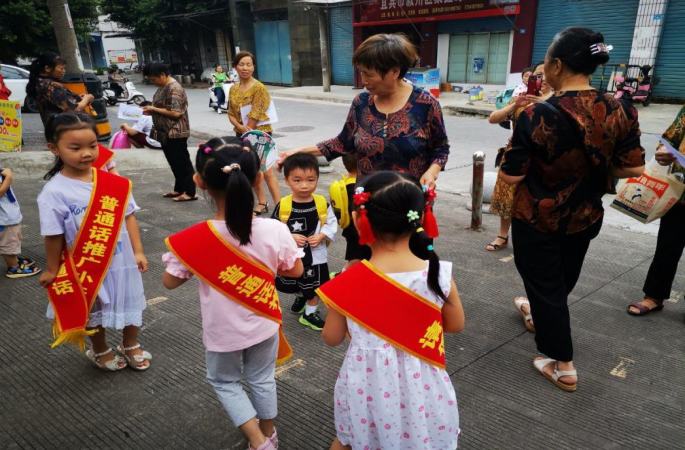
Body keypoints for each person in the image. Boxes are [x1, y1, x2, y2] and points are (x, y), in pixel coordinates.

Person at [500, 27, 645, 392]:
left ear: (558, 65)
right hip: (586, 214)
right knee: (560, 278)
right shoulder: (620, 107)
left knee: (546, 281)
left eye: (547, 61)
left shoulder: (537, 115)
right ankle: (539, 312)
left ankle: (562, 364)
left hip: (539, 216)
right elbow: (633, 167)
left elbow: (511, 175)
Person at [162, 136, 304, 450]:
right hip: (264, 323)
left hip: (222, 331)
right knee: (262, 378)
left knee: (225, 381)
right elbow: (295, 272)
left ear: (198, 182)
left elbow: (170, 282)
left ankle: (256, 440)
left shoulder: (194, 239)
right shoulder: (275, 229)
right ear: (256, 178)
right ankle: (268, 434)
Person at [319, 171, 464, 450]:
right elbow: (455, 324)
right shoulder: (438, 273)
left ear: (361, 220)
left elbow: (331, 337)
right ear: (421, 219)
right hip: (424, 387)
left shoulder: (346, 283)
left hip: (367, 388)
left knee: (355, 440)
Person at [37, 112, 150, 371]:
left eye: (92, 146)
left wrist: (139, 251)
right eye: (75, 148)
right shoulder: (54, 192)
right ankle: (100, 348)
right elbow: (53, 235)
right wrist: (53, 269)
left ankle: (130, 344)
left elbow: (129, 216)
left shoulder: (113, 183)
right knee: (93, 308)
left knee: (132, 300)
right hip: (86, 263)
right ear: (54, 148)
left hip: (122, 260)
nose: (86, 153)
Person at [280, 34, 450, 190]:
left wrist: (432, 172)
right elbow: (342, 143)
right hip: (367, 200)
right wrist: (297, 151)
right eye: (361, 72)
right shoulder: (361, 103)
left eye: (369, 75)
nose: (363, 81)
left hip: (409, 201)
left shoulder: (426, 104)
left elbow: (441, 148)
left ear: (394, 72)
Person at [486, 62, 553, 253]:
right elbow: (493, 118)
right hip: (515, 153)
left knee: (534, 198)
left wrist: (543, 103)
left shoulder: (557, 100)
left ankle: (534, 237)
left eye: (547, 74)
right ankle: (502, 235)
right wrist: (516, 104)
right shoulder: (521, 97)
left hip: (542, 159)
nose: (544, 78)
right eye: (539, 74)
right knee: (507, 195)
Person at [628, 105, 685, 318]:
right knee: (667, 247)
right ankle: (654, 296)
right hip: (679, 192)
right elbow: (670, 137)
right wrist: (665, 150)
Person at [272, 154, 337, 331]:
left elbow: (331, 222)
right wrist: (289, 236)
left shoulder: (321, 203)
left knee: (315, 286)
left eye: (311, 180)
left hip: (316, 256)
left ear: (317, 179)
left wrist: (322, 235)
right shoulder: (284, 205)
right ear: (287, 181)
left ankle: (309, 314)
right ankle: (301, 296)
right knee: (297, 282)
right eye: (297, 180)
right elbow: (273, 228)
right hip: (293, 255)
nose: (304, 185)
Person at [227, 52, 280, 216]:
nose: (245, 68)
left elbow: (256, 114)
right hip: (241, 133)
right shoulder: (234, 88)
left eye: (249, 64)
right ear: (236, 66)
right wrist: (239, 127)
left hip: (259, 134)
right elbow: (230, 112)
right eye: (241, 64)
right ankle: (262, 203)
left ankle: (279, 207)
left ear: (253, 67)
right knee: (252, 169)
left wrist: (246, 130)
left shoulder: (259, 88)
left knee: (267, 170)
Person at [142, 62, 197, 202]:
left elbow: (175, 112)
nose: (152, 82)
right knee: (174, 162)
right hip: (166, 132)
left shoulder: (174, 88)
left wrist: (153, 109)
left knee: (183, 163)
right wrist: (151, 111)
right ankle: (179, 189)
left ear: (162, 75)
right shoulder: (164, 86)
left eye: (153, 79)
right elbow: (163, 108)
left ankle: (190, 192)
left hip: (176, 132)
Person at [26, 52, 94, 126]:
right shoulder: (52, 86)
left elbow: (58, 102)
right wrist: (87, 98)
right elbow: (74, 109)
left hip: (53, 128)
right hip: (66, 128)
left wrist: (77, 98)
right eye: (61, 68)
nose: (64, 71)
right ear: (47, 68)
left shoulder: (39, 82)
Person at [0, 167, 41, 278]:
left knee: (8, 242)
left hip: (5, 217)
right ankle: (13, 267)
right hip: (5, 220)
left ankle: (14, 260)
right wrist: (9, 177)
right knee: (8, 244)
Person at [334, 153, 370, 271]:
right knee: (355, 259)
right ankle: (340, 279)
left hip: (351, 229)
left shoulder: (344, 184)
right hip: (357, 230)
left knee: (358, 257)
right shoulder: (360, 187)